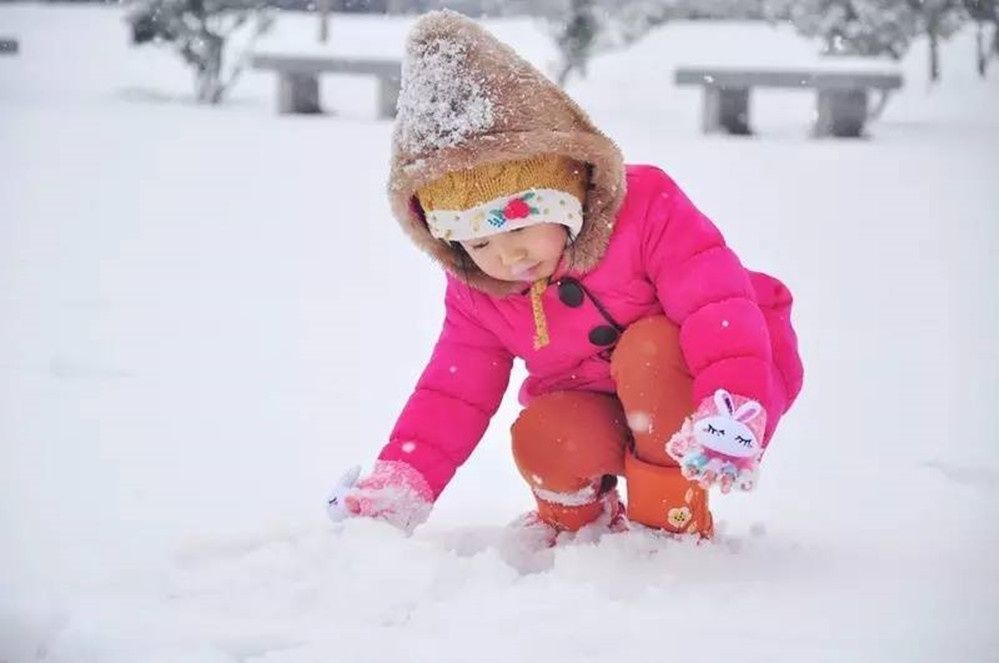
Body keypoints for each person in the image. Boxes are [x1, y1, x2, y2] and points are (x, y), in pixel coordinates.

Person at [325, 10, 803, 543]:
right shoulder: (479, 293)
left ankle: (672, 528)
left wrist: (734, 403)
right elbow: (450, 392)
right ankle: (580, 531)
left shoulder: (648, 211)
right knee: (541, 433)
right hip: (602, 403)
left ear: (565, 197)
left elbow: (717, 306)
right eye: (479, 243)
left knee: (649, 346)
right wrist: (402, 482)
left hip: (706, 380)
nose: (507, 258)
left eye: (520, 226)